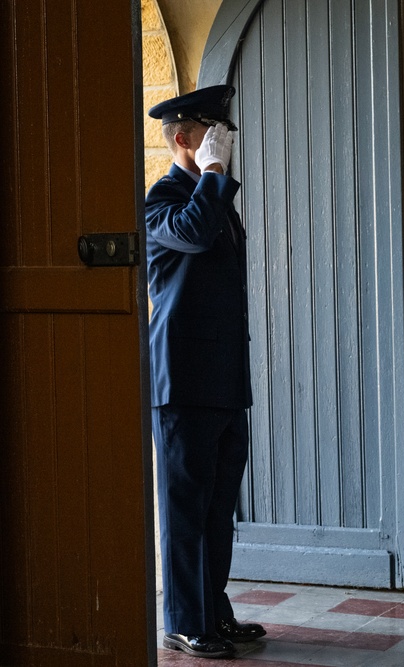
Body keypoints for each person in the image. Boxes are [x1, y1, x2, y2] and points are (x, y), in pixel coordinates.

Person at [146, 85, 266, 659]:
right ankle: (184, 619)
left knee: (220, 506)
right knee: (186, 508)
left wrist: (215, 179)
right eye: (211, 133)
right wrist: (214, 172)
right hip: (183, 378)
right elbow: (191, 235)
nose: (224, 141)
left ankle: (213, 612)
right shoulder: (160, 200)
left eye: (226, 133)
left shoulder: (215, 199)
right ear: (182, 138)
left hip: (222, 378)